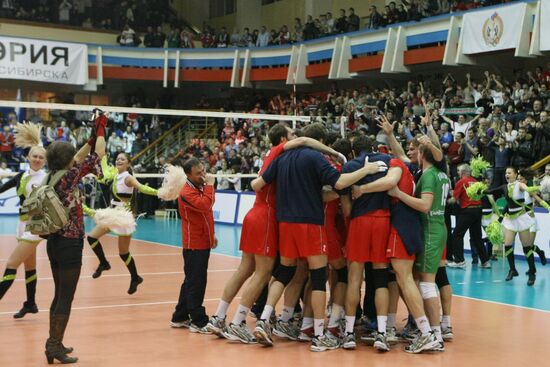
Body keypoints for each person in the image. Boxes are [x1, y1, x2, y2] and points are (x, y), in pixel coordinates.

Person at [251, 124, 387, 352]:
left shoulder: (282, 158)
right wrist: (366, 171)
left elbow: (257, 184)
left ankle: (265, 319)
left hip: (285, 222)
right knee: (319, 277)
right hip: (310, 223)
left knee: (285, 271)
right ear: (320, 141)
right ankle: (320, 334)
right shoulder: (316, 158)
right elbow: (341, 183)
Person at [206, 123, 345, 344]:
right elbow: (303, 141)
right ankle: (238, 322)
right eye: (290, 135)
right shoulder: (282, 152)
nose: (294, 137)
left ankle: (219, 316)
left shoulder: (273, 156)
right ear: (282, 139)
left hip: (256, 214)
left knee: (246, 269)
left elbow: (255, 184)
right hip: (268, 217)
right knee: (263, 273)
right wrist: (334, 153)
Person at [44, 110, 106, 364]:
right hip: (70, 244)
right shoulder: (70, 177)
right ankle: (54, 347)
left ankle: (53, 342)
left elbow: (82, 155)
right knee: (66, 297)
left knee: (59, 294)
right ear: (67, 160)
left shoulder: (55, 175)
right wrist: (101, 128)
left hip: (54, 242)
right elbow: (98, 155)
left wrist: (91, 135)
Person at [388, 143, 450, 351]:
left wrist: (398, 194)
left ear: (423, 155)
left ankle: (433, 334)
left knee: (426, 283)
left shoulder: (430, 176)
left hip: (431, 229)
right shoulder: (442, 173)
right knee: (422, 281)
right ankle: (435, 333)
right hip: (437, 227)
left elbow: (424, 205)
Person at [338, 136, 393, 352]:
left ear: (353, 150)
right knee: (380, 279)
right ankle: (381, 333)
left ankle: (350, 333)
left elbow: (347, 210)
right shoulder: (388, 161)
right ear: (373, 148)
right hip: (383, 221)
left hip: (360, 222)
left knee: (354, 279)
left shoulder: (350, 166)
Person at [85, 152, 159, 294]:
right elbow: (103, 175)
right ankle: (104, 263)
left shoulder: (128, 177)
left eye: (122, 159)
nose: (119, 160)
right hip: (112, 214)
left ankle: (135, 277)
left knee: (123, 253)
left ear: (128, 163)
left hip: (123, 217)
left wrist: (160, 193)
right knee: (91, 237)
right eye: (117, 158)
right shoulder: (115, 176)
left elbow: (142, 187)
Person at [0, 124, 47, 319]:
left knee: (11, 264)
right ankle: (30, 303)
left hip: (35, 228)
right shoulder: (22, 176)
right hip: (21, 225)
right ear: (28, 157)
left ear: (45, 161)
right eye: (34, 156)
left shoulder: (46, 178)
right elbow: (2, 189)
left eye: (41, 157)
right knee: (30, 267)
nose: (37, 159)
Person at [171, 157, 217, 332]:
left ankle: (180, 316)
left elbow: (206, 214)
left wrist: (212, 234)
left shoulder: (198, 188)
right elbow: (206, 205)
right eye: (199, 173)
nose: (203, 175)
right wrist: (211, 185)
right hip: (194, 244)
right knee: (197, 282)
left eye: (203, 171)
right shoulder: (186, 193)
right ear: (188, 174)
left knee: (191, 280)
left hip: (202, 240)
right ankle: (198, 320)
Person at [486, 167, 537, 285]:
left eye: (509, 173)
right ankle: (513, 269)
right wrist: (481, 191)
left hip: (521, 218)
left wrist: (536, 188)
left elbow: (527, 188)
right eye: (505, 173)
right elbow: (492, 191)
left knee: (526, 248)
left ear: (515, 174)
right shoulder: (505, 187)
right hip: (510, 220)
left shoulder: (519, 185)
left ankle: (532, 272)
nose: (506, 175)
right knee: (508, 245)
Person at [447, 164, 491, 268]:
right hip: (478, 210)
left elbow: (454, 200)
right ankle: (485, 261)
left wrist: (444, 201)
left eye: (458, 171)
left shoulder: (461, 182)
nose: (457, 173)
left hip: (467, 211)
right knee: (477, 237)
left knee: (457, 235)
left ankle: (459, 261)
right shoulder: (476, 182)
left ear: (462, 172)